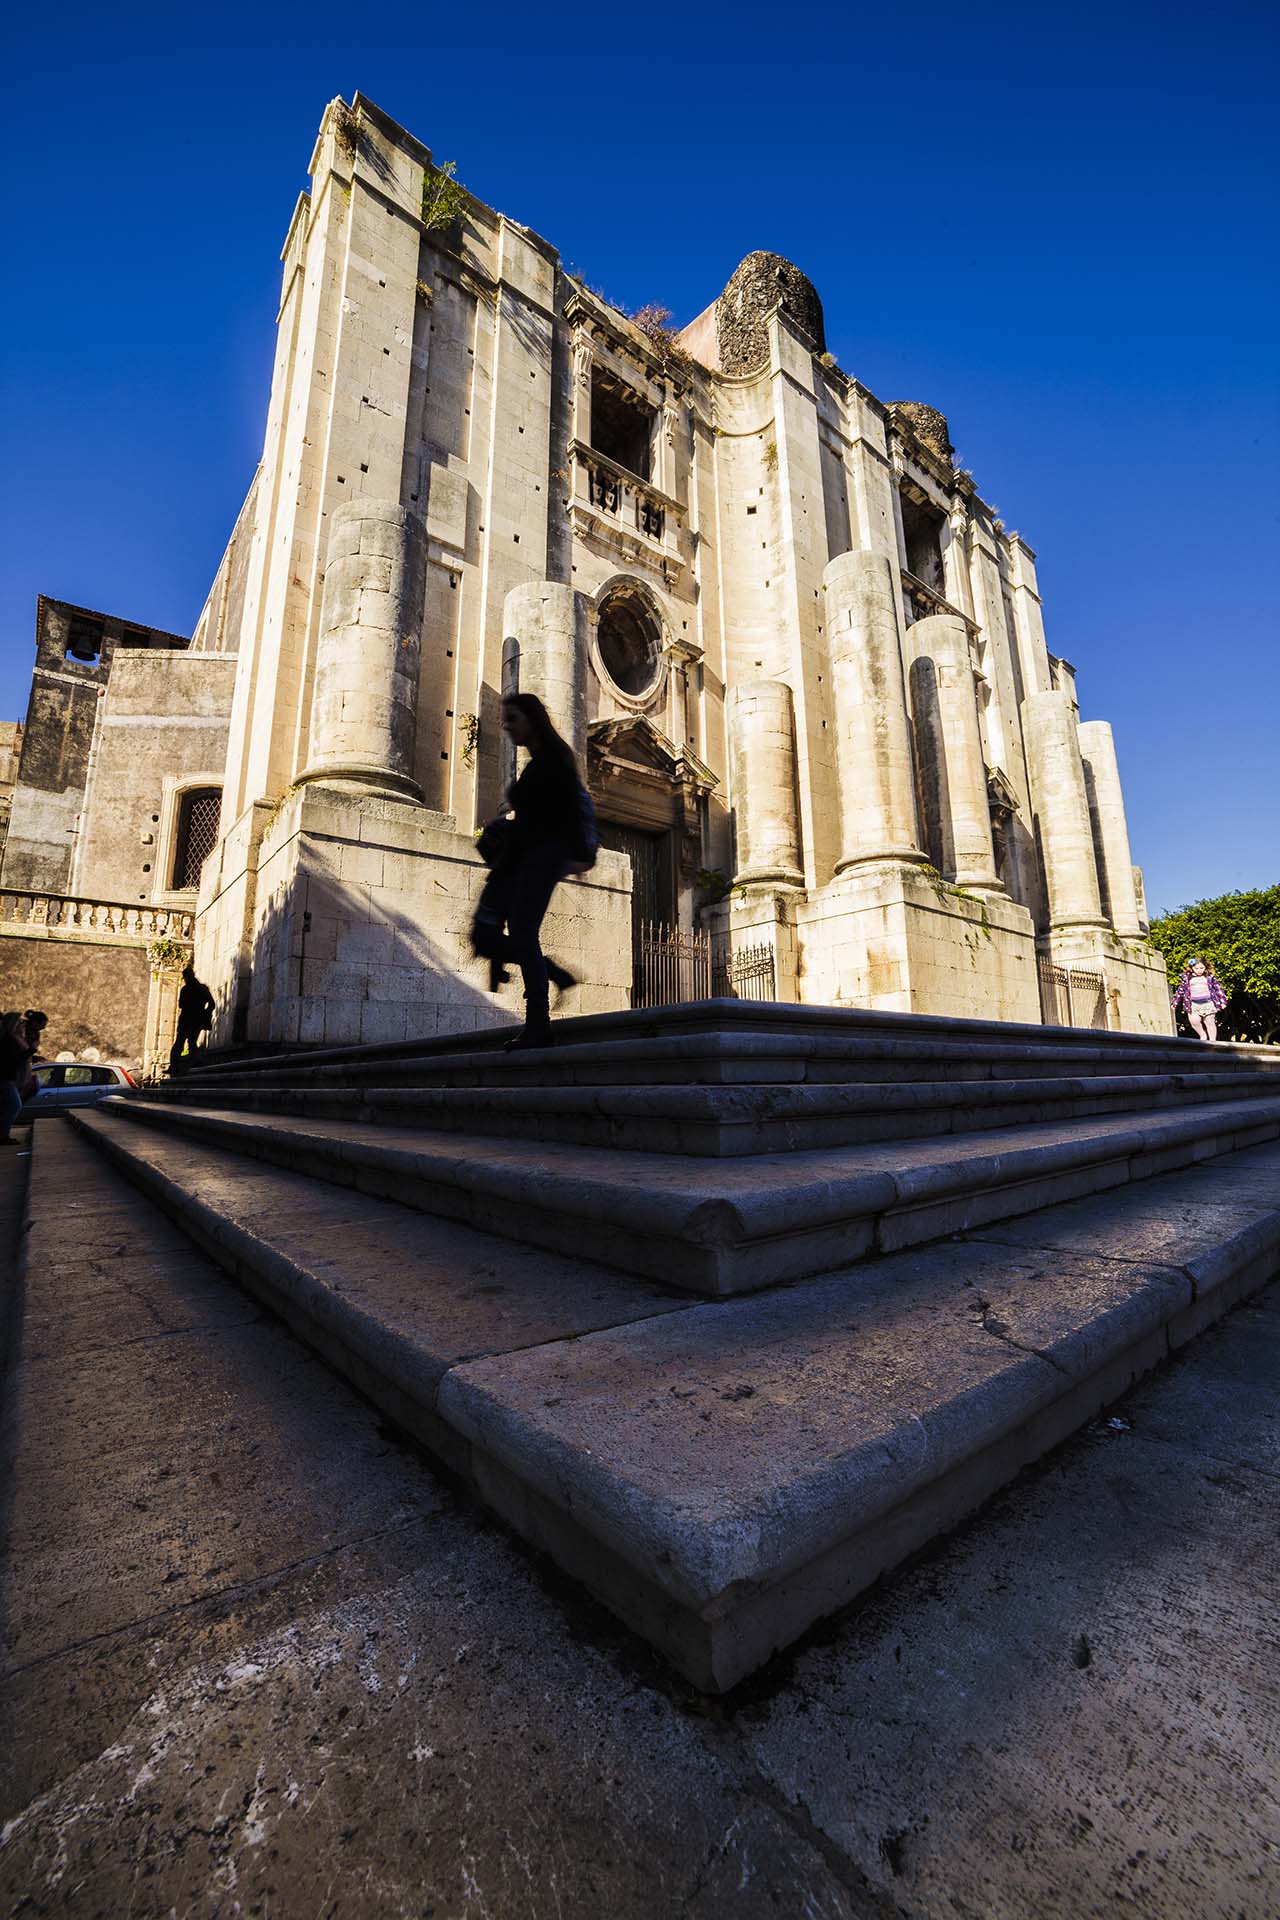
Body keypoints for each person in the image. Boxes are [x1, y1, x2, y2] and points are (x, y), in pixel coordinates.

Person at [474, 694, 595, 1051]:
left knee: (523, 934)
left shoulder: (556, 761)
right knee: (486, 936)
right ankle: (552, 973)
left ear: (532, 718)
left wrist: (578, 858)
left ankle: (538, 1024)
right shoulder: (540, 763)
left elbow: (571, 812)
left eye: (513, 718)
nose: (506, 725)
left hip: (538, 862)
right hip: (515, 863)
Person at [169, 966, 215, 1075]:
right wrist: (205, 1013)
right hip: (197, 1019)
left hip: (187, 1019)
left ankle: (175, 1066)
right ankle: (194, 1062)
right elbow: (211, 1004)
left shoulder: (185, 989)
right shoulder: (202, 988)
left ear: (187, 977)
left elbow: (181, 1005)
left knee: (180, 1042)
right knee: (192, 1041)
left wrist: (203, 1013)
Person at [1173, 956, 1228, 1042]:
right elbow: (1180, 991)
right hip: (1193, 1004)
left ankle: (1212, 1040)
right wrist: (1175, 1003)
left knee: (1209, 1022)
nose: (1199, 970)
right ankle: (1202, 1034)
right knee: (1194, 1021)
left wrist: (1222, 1001)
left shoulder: (1209, 977)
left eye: (1202, 968)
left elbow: (1218, 989)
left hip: (1208, 1003)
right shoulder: (1187, 978)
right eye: (1197, 968)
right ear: (1192, 968)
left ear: (1205, 967)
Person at [0, 1012, 34, 1145]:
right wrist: (30, 1051)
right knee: (14, 1105)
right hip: (5, 1078)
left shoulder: (16, 1039)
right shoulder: (9, 1041)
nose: (23, 1024)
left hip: (10, 1078)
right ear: (13, 1024)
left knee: (10, 1106)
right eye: (20, 1022)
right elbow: (13, 1060)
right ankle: (3, 1136)